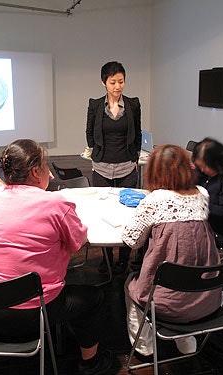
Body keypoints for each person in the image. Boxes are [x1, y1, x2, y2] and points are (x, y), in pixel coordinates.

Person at [0, 139, 114, 375]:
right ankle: (91, 363)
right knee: (94, 297)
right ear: (36, 172)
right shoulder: (55, 203)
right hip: (27, 315)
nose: (51, 175)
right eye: (46, 167)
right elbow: (78, 242)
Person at [122, 144, 221, 356]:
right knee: (183, 274)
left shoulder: (155, 200)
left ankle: (143, 347)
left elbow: (131, 240)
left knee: (131, 286)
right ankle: (186, 341)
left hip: (165, 303)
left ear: (154, 171)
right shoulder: (203, 194)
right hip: (207, 297)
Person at [85, 61, 142, 275]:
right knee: (103, 212)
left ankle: (124, 258)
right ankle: (107, 258)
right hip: (101, 166)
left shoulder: (133, 104)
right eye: (113, 82)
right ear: (104, 83)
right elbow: (89, 132)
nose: (117, 86)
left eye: (121, 81)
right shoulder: (95, 105)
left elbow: (137, 132)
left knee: (128, 214)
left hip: (127, 166)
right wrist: (95, 150)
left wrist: (135, 157)